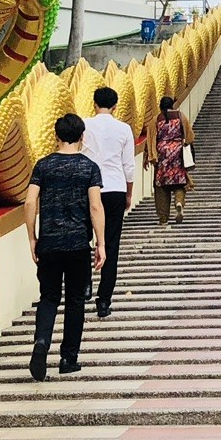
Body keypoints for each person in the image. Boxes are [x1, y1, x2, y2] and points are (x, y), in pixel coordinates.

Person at [21, 113, 105, 380]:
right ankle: (69, 357)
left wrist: (32, 237)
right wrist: (101, 243)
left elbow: (30, 202)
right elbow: (95, 206)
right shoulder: (89, 167)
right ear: (82, 136)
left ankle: (41, 343)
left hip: (49, 244)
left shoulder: (43, 166)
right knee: (76, 300)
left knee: (48, 297)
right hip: (78, 244)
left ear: (56, 135)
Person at [83, 85, 136, 319]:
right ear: (115, 106)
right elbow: (129, 166)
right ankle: (104, 301)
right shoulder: (124, 129)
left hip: (88, 188)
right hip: (115, 188)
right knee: (111, 245)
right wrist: (128, 194)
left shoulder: (84, 125)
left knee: (83, 237)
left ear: (94, 103)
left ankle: (85, 282)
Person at [152, 95, 194, 224]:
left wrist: (151, 155)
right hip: (177, 153)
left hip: (162, 154)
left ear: (160, 106)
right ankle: (179, 202)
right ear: (172, 105)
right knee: (179, 182)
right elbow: (190, 136)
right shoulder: (180, 116)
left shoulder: (156, 119)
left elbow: (151, 138)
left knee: (161, 186)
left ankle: (163, 218)